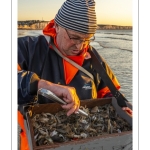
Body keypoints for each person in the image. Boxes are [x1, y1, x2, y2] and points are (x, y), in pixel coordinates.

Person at [18, 0, 132, 149]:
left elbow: (109, 92)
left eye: (87, 39)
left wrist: (124, 107)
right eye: (74, 37)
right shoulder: (26, 48)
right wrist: (41, 85)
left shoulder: (94, 60)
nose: (80, 46)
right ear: (57, 26)